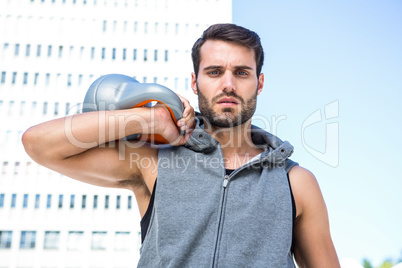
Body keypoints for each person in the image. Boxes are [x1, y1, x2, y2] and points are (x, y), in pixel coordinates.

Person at [22, 23, 340, 267]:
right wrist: (148, 120)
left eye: (241, 73)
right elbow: (39, 144)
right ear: (194, 82)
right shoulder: (153, 162)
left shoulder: (295, 182)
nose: (228, 83)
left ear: (259, 83)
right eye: (214, 72)